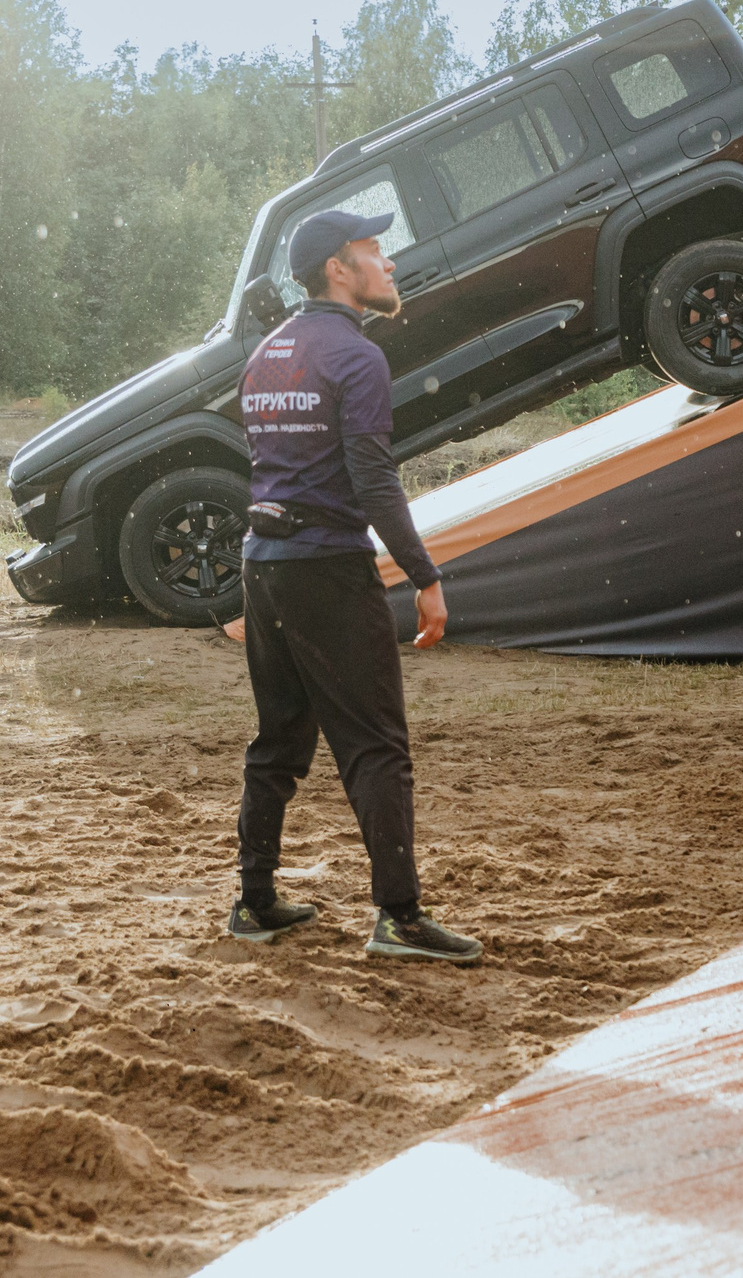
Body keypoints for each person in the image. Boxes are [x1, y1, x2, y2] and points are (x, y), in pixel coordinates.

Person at [226, 207, 482, 965]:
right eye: (375, 249)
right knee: (376, 747)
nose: (390, 262)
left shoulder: (268, 353)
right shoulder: (358, 357)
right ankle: (399, 918)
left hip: (262, 565)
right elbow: (372, 478)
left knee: (278, 739)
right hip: (327, 569)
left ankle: (255, 901)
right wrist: (426, 575)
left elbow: (270, 463)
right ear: (340, 269)